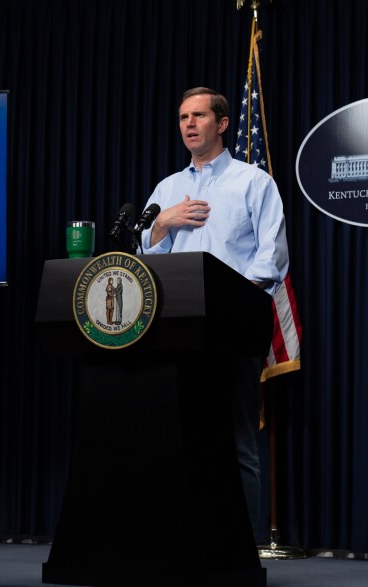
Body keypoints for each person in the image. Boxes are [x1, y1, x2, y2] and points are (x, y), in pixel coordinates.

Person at [140, 87, 289, 532]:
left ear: (222, 124)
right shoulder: (168, 188)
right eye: (183, 116)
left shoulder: (254, 182)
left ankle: (240, 543)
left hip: (232, 332)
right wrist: (161, 223)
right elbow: (146, 263)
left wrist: (230, 302)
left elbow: (272, 258)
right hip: (176, 333)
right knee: (181, 440)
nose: (188, 124)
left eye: (198, 116)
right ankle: (188, 539)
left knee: (237, 443)